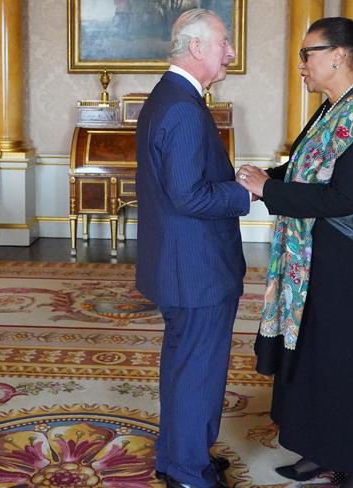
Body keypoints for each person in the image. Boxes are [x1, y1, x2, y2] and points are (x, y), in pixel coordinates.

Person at [236, 17, 353, 488]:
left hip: (345, 261)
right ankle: (319, 450)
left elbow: (344, 198)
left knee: (343, 360)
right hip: (313, 258)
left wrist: (269, 188)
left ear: (338, 55)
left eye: (307, 55)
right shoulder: (333, 109)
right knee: (311, 353)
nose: (301, 66)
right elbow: (304, 169)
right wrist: (263, 177)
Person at [135, 9, 250, 488]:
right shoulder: (182, 106)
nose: (230, 52)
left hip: (180, 265)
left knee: (185, 368)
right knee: (198, 373)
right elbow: (189, 194)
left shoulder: (171, 96)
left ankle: (178, 457)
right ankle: (188, 473)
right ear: (197, 47)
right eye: (224, 43)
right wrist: (249, 192)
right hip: (197, 269)